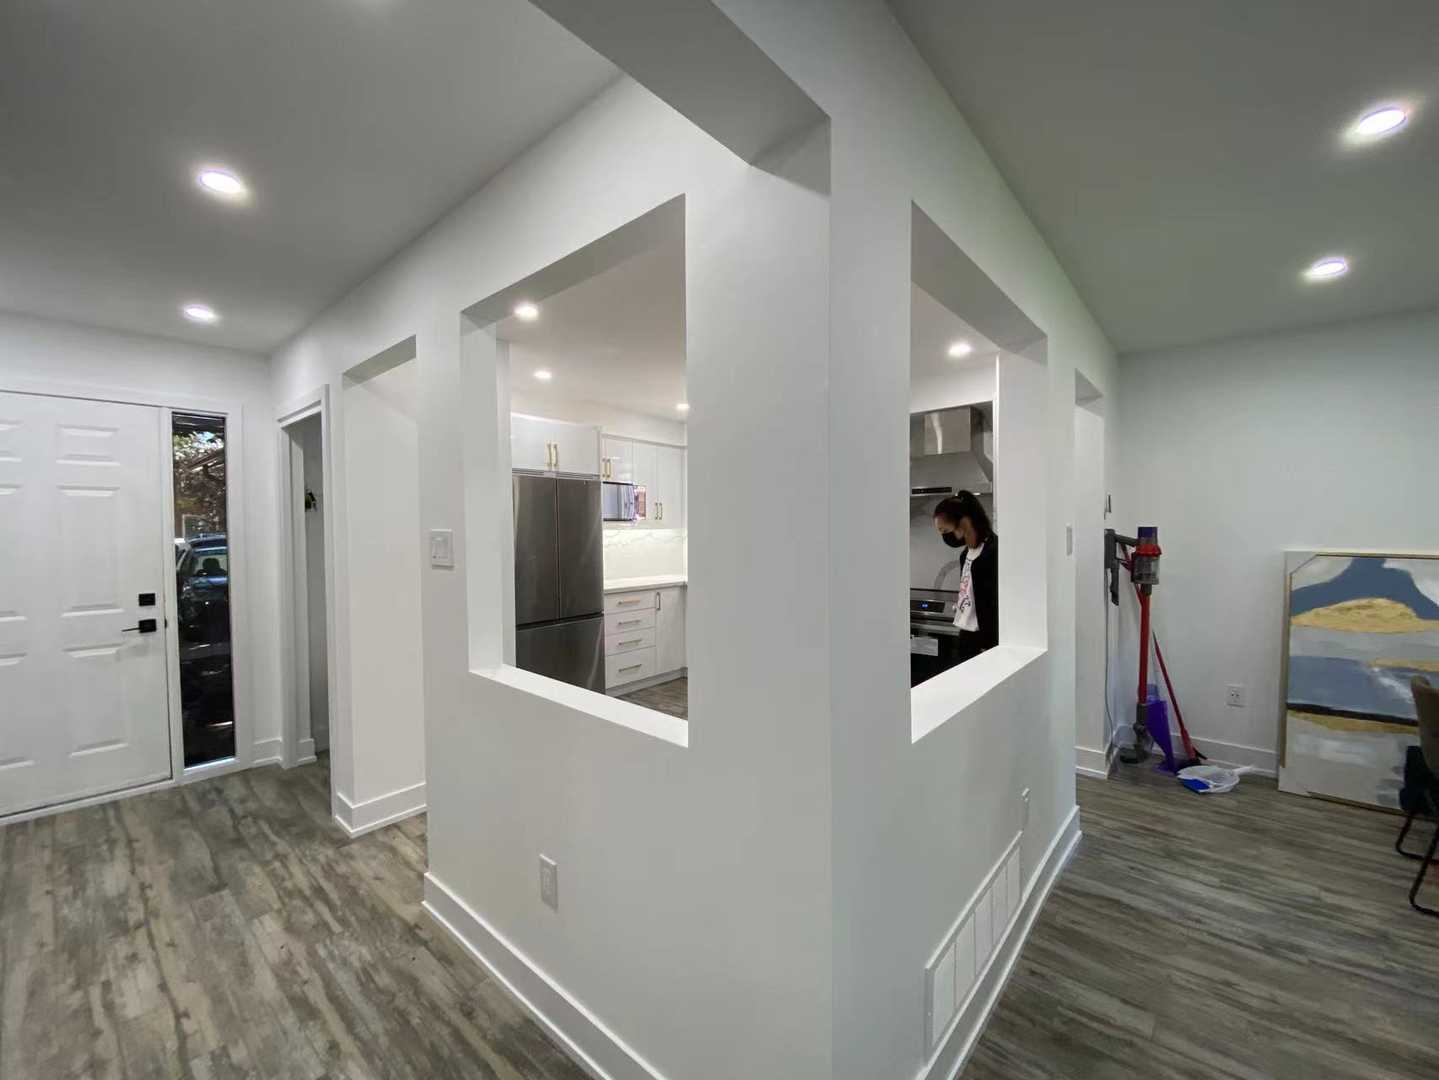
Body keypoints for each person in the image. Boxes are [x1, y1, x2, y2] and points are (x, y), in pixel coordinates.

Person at [933, 492, 997, 662]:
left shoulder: (994, 552)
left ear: (963, 523)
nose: (945, 537)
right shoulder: (965, 555)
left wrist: (990, 642)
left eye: (946, 531)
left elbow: (995, 603)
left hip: (986, 641)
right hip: (967, 637)